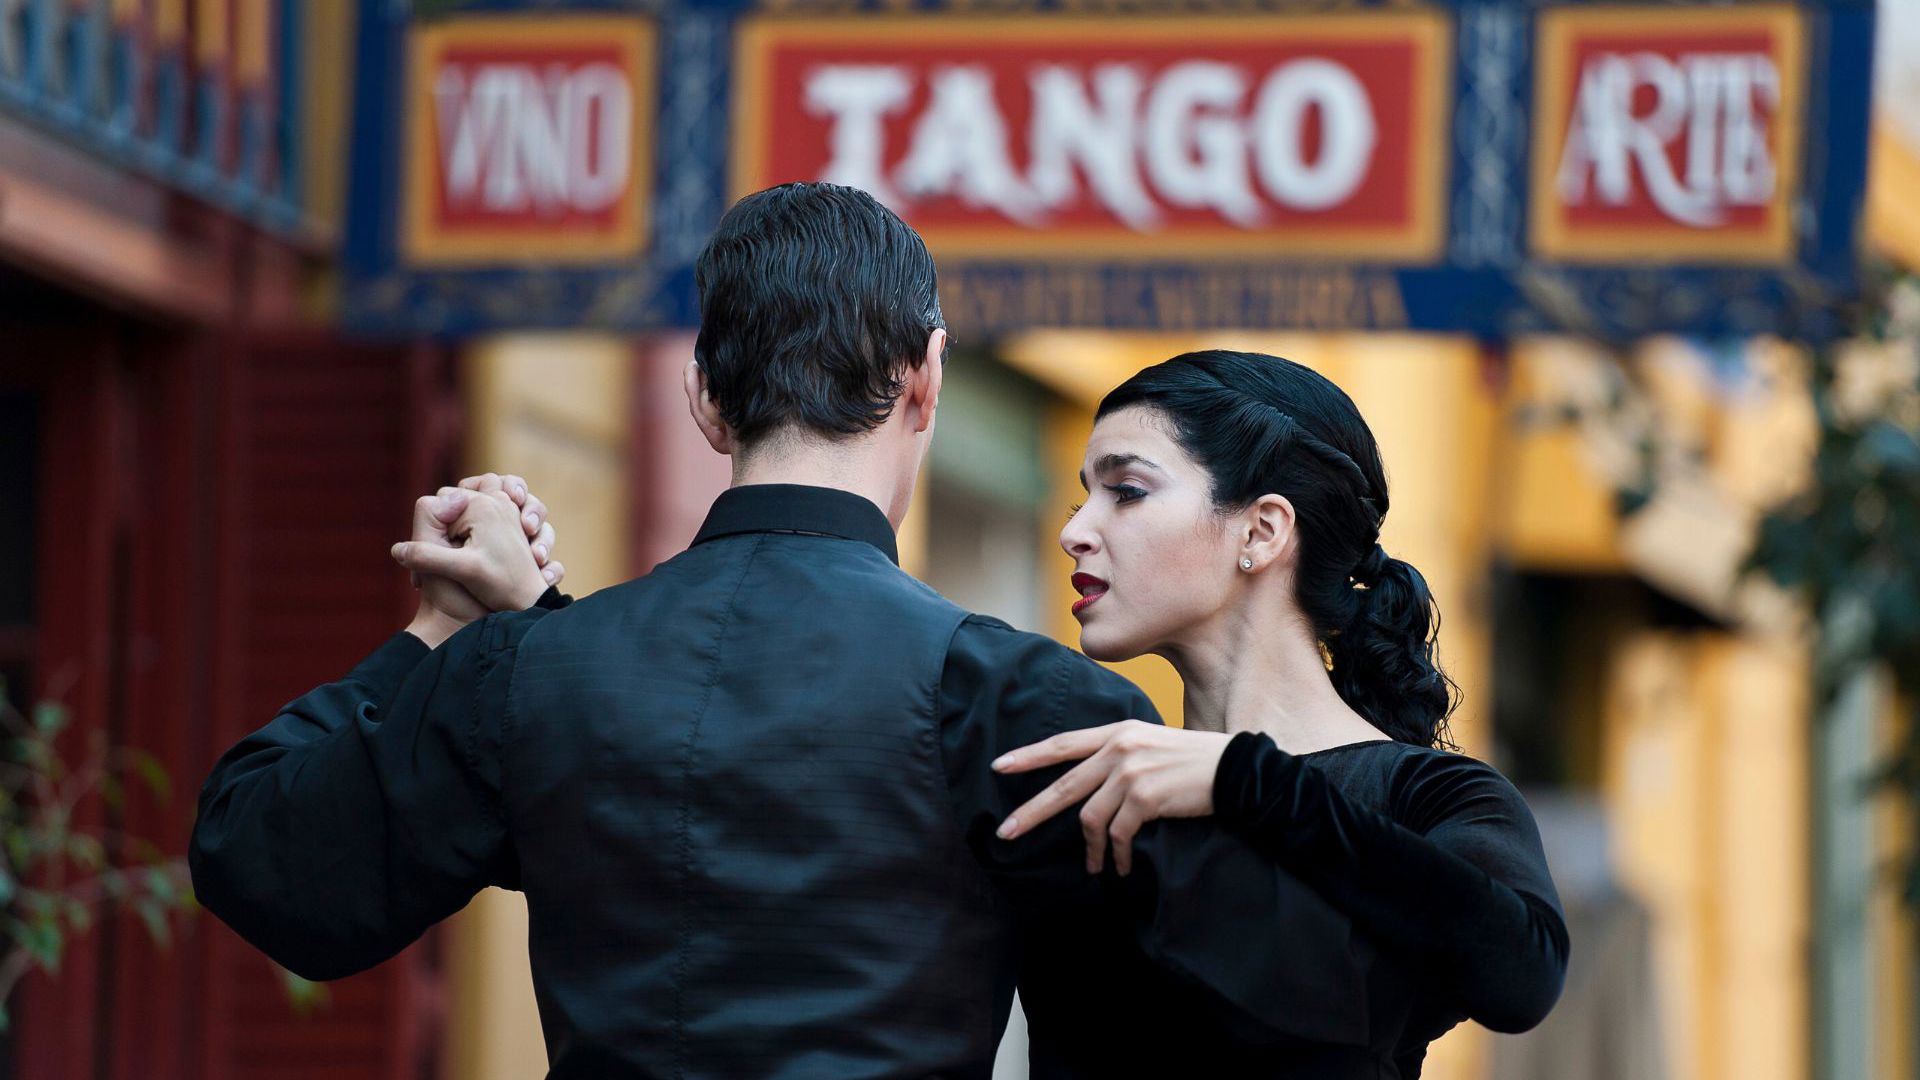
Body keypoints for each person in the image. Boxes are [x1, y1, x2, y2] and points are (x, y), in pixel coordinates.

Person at [187, 185, 1369, 1079]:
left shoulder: (532, 674)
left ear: (706, 395)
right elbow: (1273, 1007)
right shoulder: (1029, 705)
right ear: (926, 384)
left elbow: (268, 865)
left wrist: (440, 627)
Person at [990, 349, 1570, 1077]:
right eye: (1085, 499)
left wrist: (1247, 783)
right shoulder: (1110, 779)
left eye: (1127, 491)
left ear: (1262, 531)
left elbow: (1523, 973)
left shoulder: (1424, 793)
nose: (1075, 531)